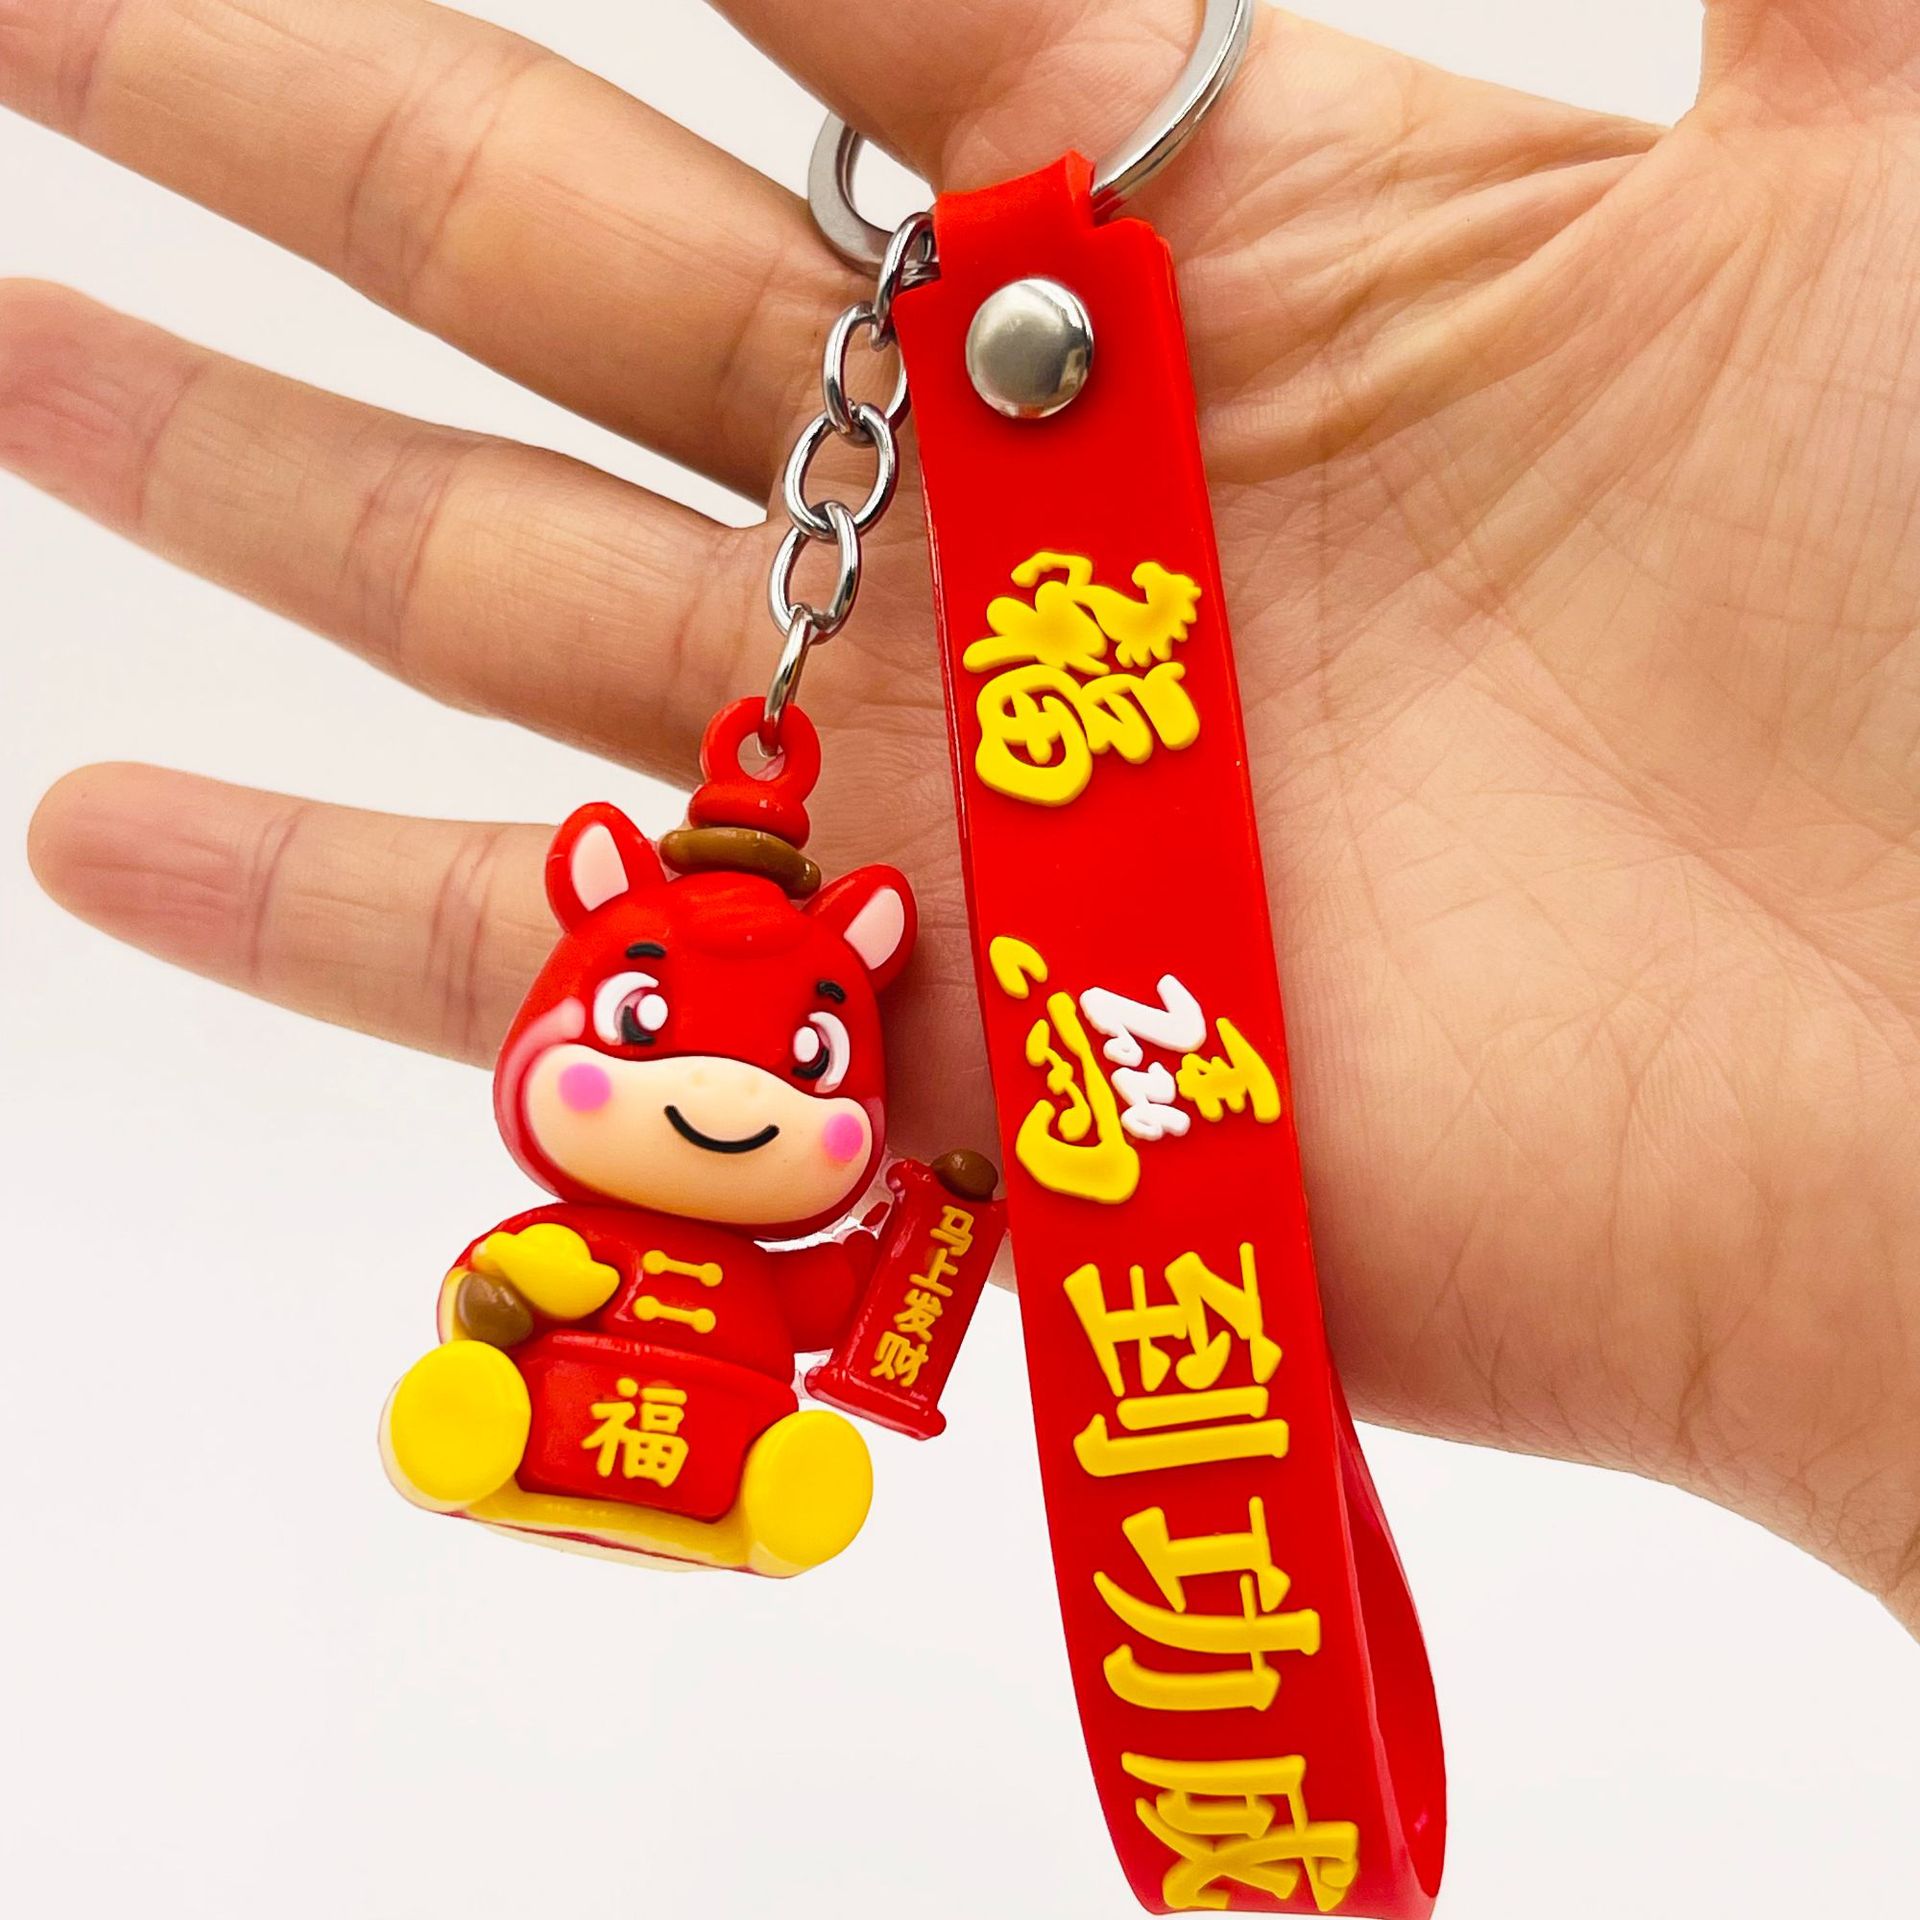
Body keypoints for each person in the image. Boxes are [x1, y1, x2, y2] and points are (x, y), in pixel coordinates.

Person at [4, 0, 1919, 1634]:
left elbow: (866, 1305)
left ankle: (757, 1493)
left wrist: (930, 1255)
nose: (725, 1097)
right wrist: (525, 1302)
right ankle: (491, 1434)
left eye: (802, 1058)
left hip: (737, 1433)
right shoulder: (583, 1234)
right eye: (651, 1031)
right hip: (568, 1399)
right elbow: (507, 1281)